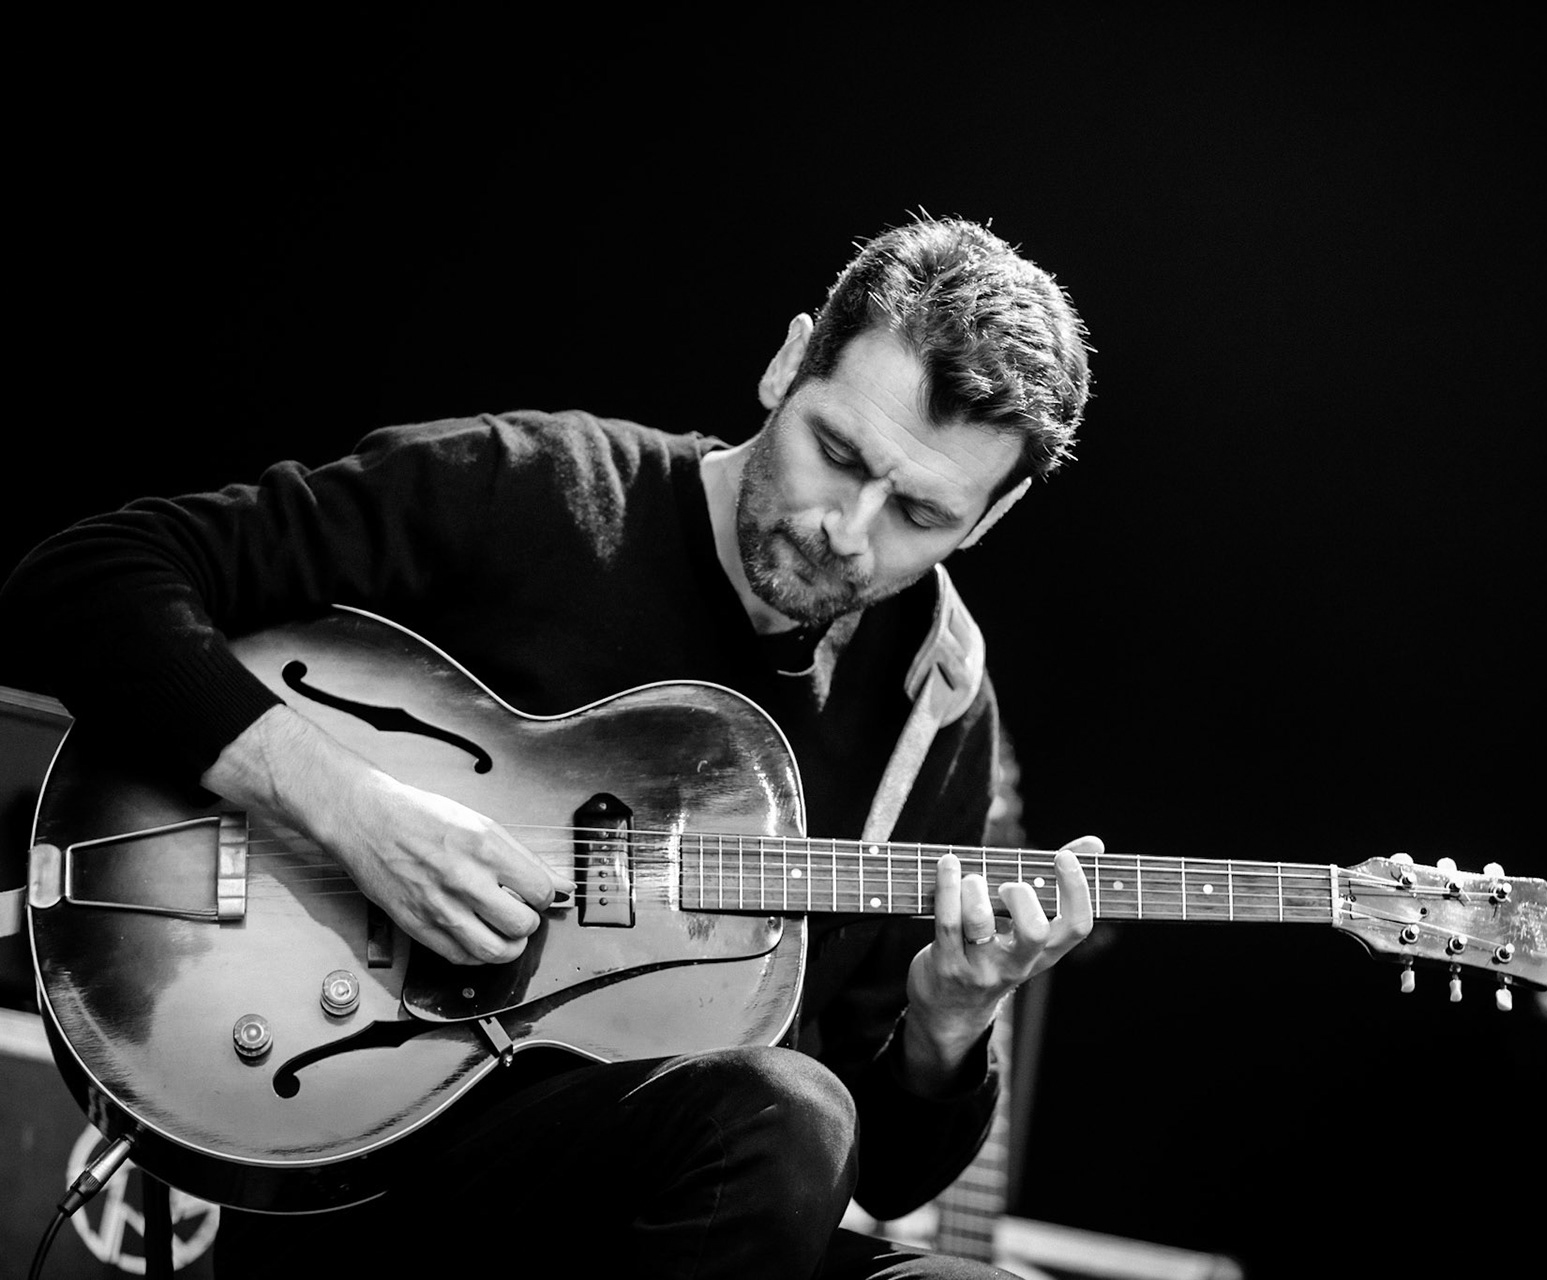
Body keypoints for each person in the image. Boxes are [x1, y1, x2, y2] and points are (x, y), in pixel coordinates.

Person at [0, 215, 1099, 1278]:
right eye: (837, 450)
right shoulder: (537, 491)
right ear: (784, 365)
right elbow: (86, 582)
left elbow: (896, 1174)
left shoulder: (934, 713)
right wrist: (352, 810)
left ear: (987, 521)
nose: (847, 530)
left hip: (702, 1212)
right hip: (378, 1169)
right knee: (789, 1117)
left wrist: (951, 1021)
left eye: (920, 514)